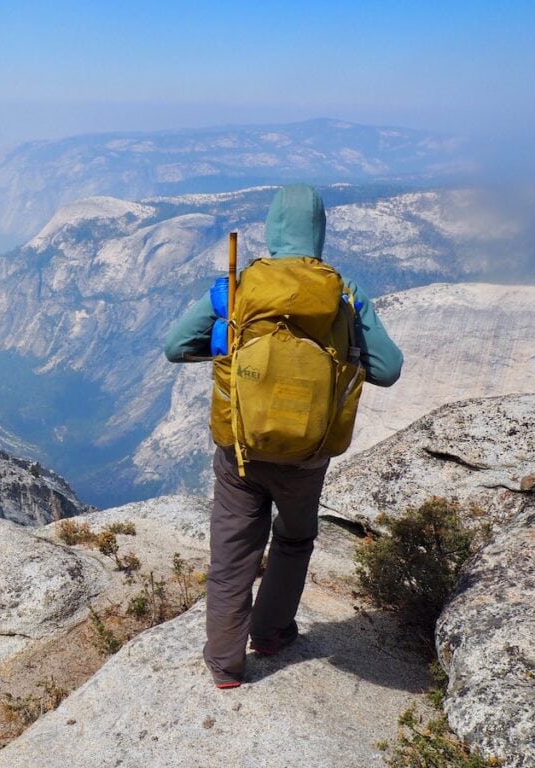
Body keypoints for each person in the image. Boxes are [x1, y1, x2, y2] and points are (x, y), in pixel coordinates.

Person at [163, 184, 403, 689]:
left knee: (232, 556)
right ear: (319, 231)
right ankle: (271, 634)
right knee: (294, 539)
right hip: (308, 454)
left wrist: (229, 347)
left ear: (272, 229)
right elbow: (388, 369)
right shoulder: (344, 293)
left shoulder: (238, 284)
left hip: (240, 448)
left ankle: (226, 666)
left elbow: (174, 347)